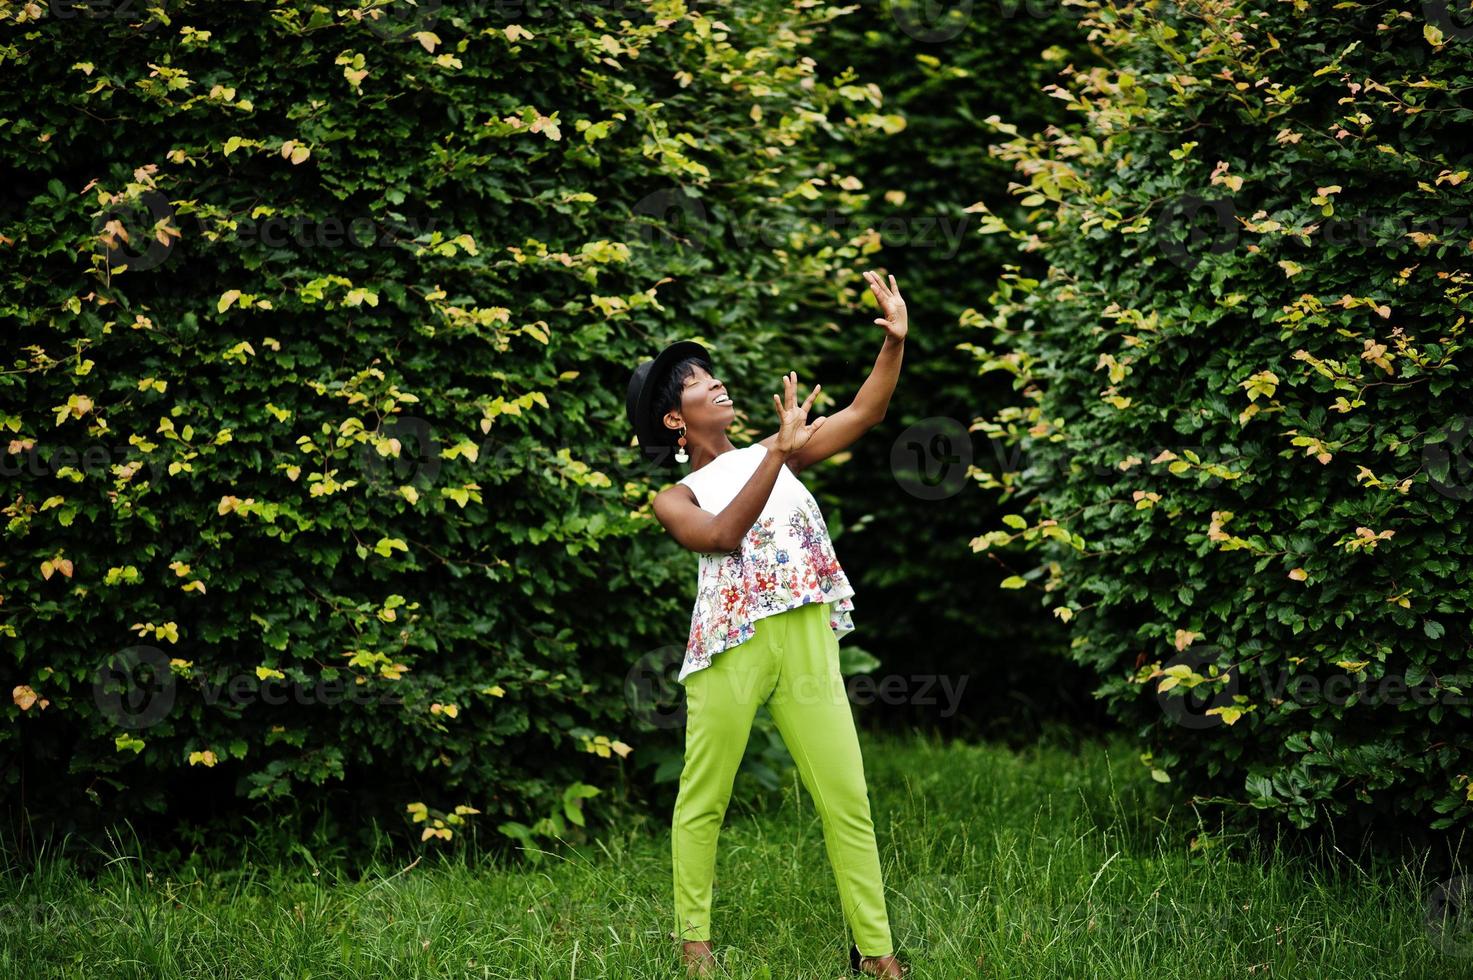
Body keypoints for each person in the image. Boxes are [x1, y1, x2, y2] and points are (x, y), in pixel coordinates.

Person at [624, 271, 909, 978]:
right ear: (672, 420)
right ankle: (694, 948)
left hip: (807, 639)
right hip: (731, 649)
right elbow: (720, 536)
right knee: (704, 798)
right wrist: (777, 453)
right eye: (696, 382)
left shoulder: (771, 452)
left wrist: (894, 342)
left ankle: (876, 955)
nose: (715, 383)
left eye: (712, 374)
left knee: (847, 798)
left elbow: (864, 413)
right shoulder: (674, 495)